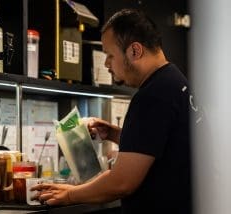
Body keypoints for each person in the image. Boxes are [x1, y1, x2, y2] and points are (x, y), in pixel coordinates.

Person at [32, 8, 192, 214]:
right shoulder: (175, 80)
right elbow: (163, 145)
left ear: (135, 51)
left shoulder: (152, 96)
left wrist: (70, 194)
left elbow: (122, 182)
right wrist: (116, 134)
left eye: (109, 55)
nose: (106, 64)